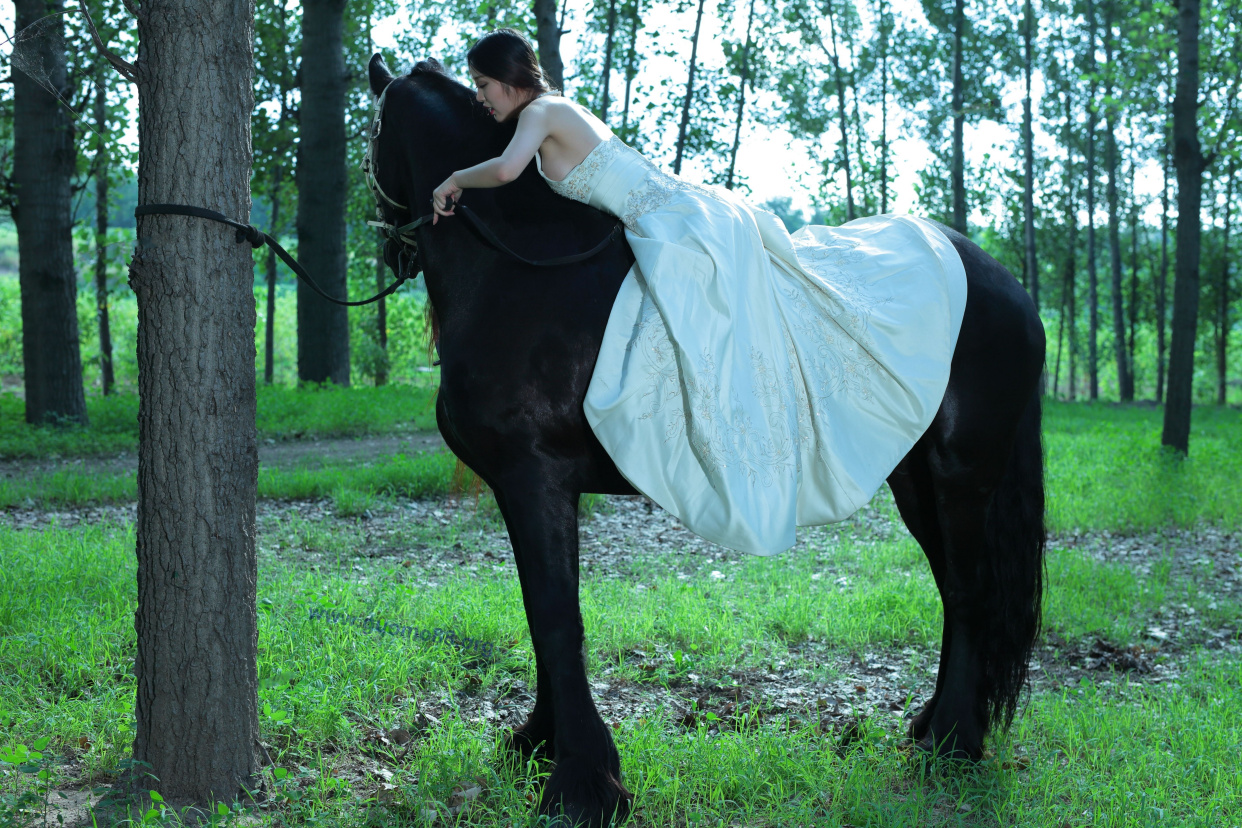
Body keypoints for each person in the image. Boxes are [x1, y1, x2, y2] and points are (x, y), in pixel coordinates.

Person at [432, 28, 968, 556]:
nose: (479, 97)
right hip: (673, 210)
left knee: (705, 330)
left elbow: (506, 170)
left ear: (509, 77)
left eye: (483, 83)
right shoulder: (556, 110)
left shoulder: (541, 112)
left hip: (673, 220)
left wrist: (453, 179)